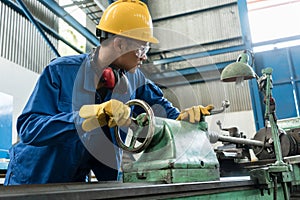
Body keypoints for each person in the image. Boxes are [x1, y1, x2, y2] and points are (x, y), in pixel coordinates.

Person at [4, 0, 213, 185]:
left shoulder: (134, 79)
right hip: (34, 178)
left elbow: (165, 112)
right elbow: (28, 129)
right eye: (143, 48)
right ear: (120, 43)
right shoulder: (61, 71)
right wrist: (87, 118)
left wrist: (184, 118)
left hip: (76, 184)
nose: (144, 57)